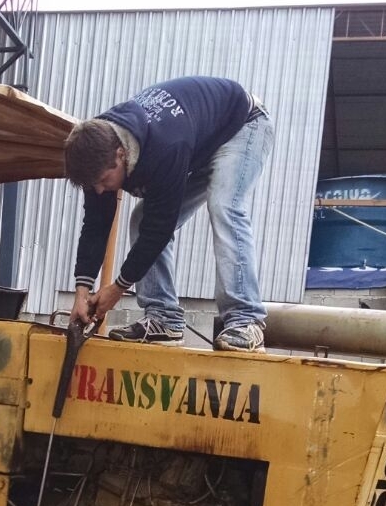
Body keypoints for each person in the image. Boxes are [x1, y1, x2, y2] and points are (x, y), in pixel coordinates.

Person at [65, 76, 274, 351]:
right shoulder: (95, 149)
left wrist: (117, 289)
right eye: (94, 186)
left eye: (104, 180)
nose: (100, 190)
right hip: (199, 142)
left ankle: (246, 319)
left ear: (120, 154)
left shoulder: (166, 146)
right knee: (140, 220)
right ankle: (164, 319)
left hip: (242, 126)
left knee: (225, 205)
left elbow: (159, 229)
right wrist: (81, 292)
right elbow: (95, 224)